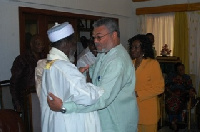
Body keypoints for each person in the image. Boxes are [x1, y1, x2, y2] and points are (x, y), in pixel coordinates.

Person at [47, 18, 139, 132]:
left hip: (116, 124)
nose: (95, 41)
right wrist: (81, 72)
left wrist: (64, 107)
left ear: (114, 35)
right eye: (94, 37)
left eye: (99, 37)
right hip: (104, 121)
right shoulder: (104, 53)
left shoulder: (117, 62)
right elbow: (94, 73)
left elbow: (102, 99)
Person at [40, 22, 104, 132]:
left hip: (57, 122)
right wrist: (99, 88)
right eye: (74, 43)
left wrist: (78, 75)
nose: (75, 47)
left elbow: (65, 86)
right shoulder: (65, 68)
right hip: (68, 123)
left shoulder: (49, 64)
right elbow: (88, 97)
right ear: (66, 43)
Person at [128, 34, 164, 132]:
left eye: (136, 47)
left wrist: (138, 93)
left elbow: (159, 87)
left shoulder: (152, 64)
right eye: (132, 47)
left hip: (148, 110)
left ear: (143, 49)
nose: (133, 50)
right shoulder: (130, 64)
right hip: (133, 109)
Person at [10, 34, 45, 113]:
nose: (41, 46)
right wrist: (17, 103)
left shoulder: (45, 58)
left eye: (42, 44)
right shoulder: (22, 59)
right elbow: (14, 83)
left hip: (42, 97)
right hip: (27, 99)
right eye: (38, 44)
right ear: (31, 44)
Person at [165, 62, 197, 131]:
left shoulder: (187, 77)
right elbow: (166, 87)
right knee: (171, 101)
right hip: (172, 95)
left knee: (177, 102)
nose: (182, 71)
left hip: (183, 95)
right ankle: (175, 122)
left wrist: (191, 91)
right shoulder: (171, 77)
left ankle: (174, 122)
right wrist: (172, 93)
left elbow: (190, 87)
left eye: (183, 69)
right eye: (180, 69)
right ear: (176, 71)